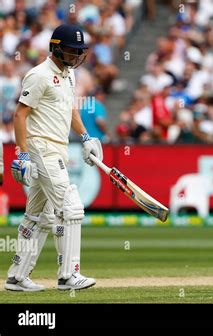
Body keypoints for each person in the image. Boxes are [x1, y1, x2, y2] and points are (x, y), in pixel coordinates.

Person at [5, 24, 103, 292]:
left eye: (80, 51)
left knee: (39, 216)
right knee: (70, 208)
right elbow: (20, 114)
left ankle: (17, 277)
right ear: (56, 48)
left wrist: (85, 138)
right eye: (72, 51)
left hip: (57, 147)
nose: (76, 56)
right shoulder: (38, 75)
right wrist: (22, 153)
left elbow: (70, 109)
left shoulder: (69, 75)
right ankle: (68, 275)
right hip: (41, 147)